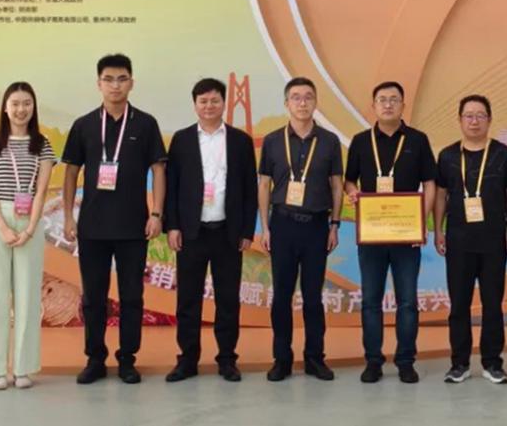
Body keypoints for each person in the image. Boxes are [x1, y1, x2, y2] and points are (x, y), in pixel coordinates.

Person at [61, 54, 167, 384]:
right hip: (92, 227)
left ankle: (127, 360)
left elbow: (158, 169)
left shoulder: (145, 124)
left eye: (122, 79)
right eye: (108, 79)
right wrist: (68, 216)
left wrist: (156, 213)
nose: (115, 85)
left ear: (131, 82)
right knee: (94, 297)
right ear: (99, 84)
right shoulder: (84, 125)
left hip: (134, 227)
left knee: (132, 296)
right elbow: (71, 172)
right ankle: (95, 359)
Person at [163, 78, 258, 383]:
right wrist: (172, 226)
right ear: (195, 105)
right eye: (203, 101)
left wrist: (247, 230)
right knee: (188, 300)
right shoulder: (182, 140)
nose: (209, 106)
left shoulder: (240, 141)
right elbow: (172, 186)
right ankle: (187, 360)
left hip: (228, 233)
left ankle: (227, 360)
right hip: (192, 232)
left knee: (228, 300)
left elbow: (250, 189)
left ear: (224, 103)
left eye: (215, 100)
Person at [344, 81, 436, 384]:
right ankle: (373, 361)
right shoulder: (361, 141)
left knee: (407, 301)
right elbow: (349, 180)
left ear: (403, 105)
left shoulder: (418, 140)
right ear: (373, 106)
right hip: (372, 235)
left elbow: (430, 183)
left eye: (394, 99)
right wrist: (353, 193)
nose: (388, 104)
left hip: (406, 235)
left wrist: (421, 223)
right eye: (382, 99)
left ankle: (406, 361)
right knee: (371, 301)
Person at [258, 77, 343, 382]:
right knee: (282, 296)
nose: (302, 102)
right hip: (282, 225)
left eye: (308, 97)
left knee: (313, 296)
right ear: (286, 104)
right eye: (296, 97)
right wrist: (265, 227)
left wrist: (335, 224)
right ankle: (281, 359)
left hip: (317, 227)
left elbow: (336, 185)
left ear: (315, 102)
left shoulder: (329, 141)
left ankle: (314, 358)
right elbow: (264, 185)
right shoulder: (272, 140)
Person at [434, 94, 507, 384]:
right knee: (459, 305)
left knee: (492, 304)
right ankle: (459, 363)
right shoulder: (447, 156)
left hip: (493, 240)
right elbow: (441, 195)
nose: (474, 121)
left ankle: (492, 363)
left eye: (480, 115)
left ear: (489, 119)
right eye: (469, 116)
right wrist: (438, 230)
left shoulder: (504, 154)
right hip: (458, 240)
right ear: (459, 120)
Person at [0, 82, 55, 390]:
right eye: (15, 103)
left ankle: (23, 368)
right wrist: (2, 227)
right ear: (5, 107)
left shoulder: (43, 145)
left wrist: (30, 229)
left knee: (27, 296)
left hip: (30, 220)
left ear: (33, 107)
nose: (21, 109)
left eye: (27, 103)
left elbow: (41, 191)